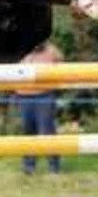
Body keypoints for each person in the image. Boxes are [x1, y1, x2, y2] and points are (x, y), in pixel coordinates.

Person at [16, 43, 64, 175]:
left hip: (45, 96)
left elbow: (61, 64)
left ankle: (54, 167)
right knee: (28, 131)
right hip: (24, 97)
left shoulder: (52, 51)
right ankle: (28, 166)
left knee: (47, 131)